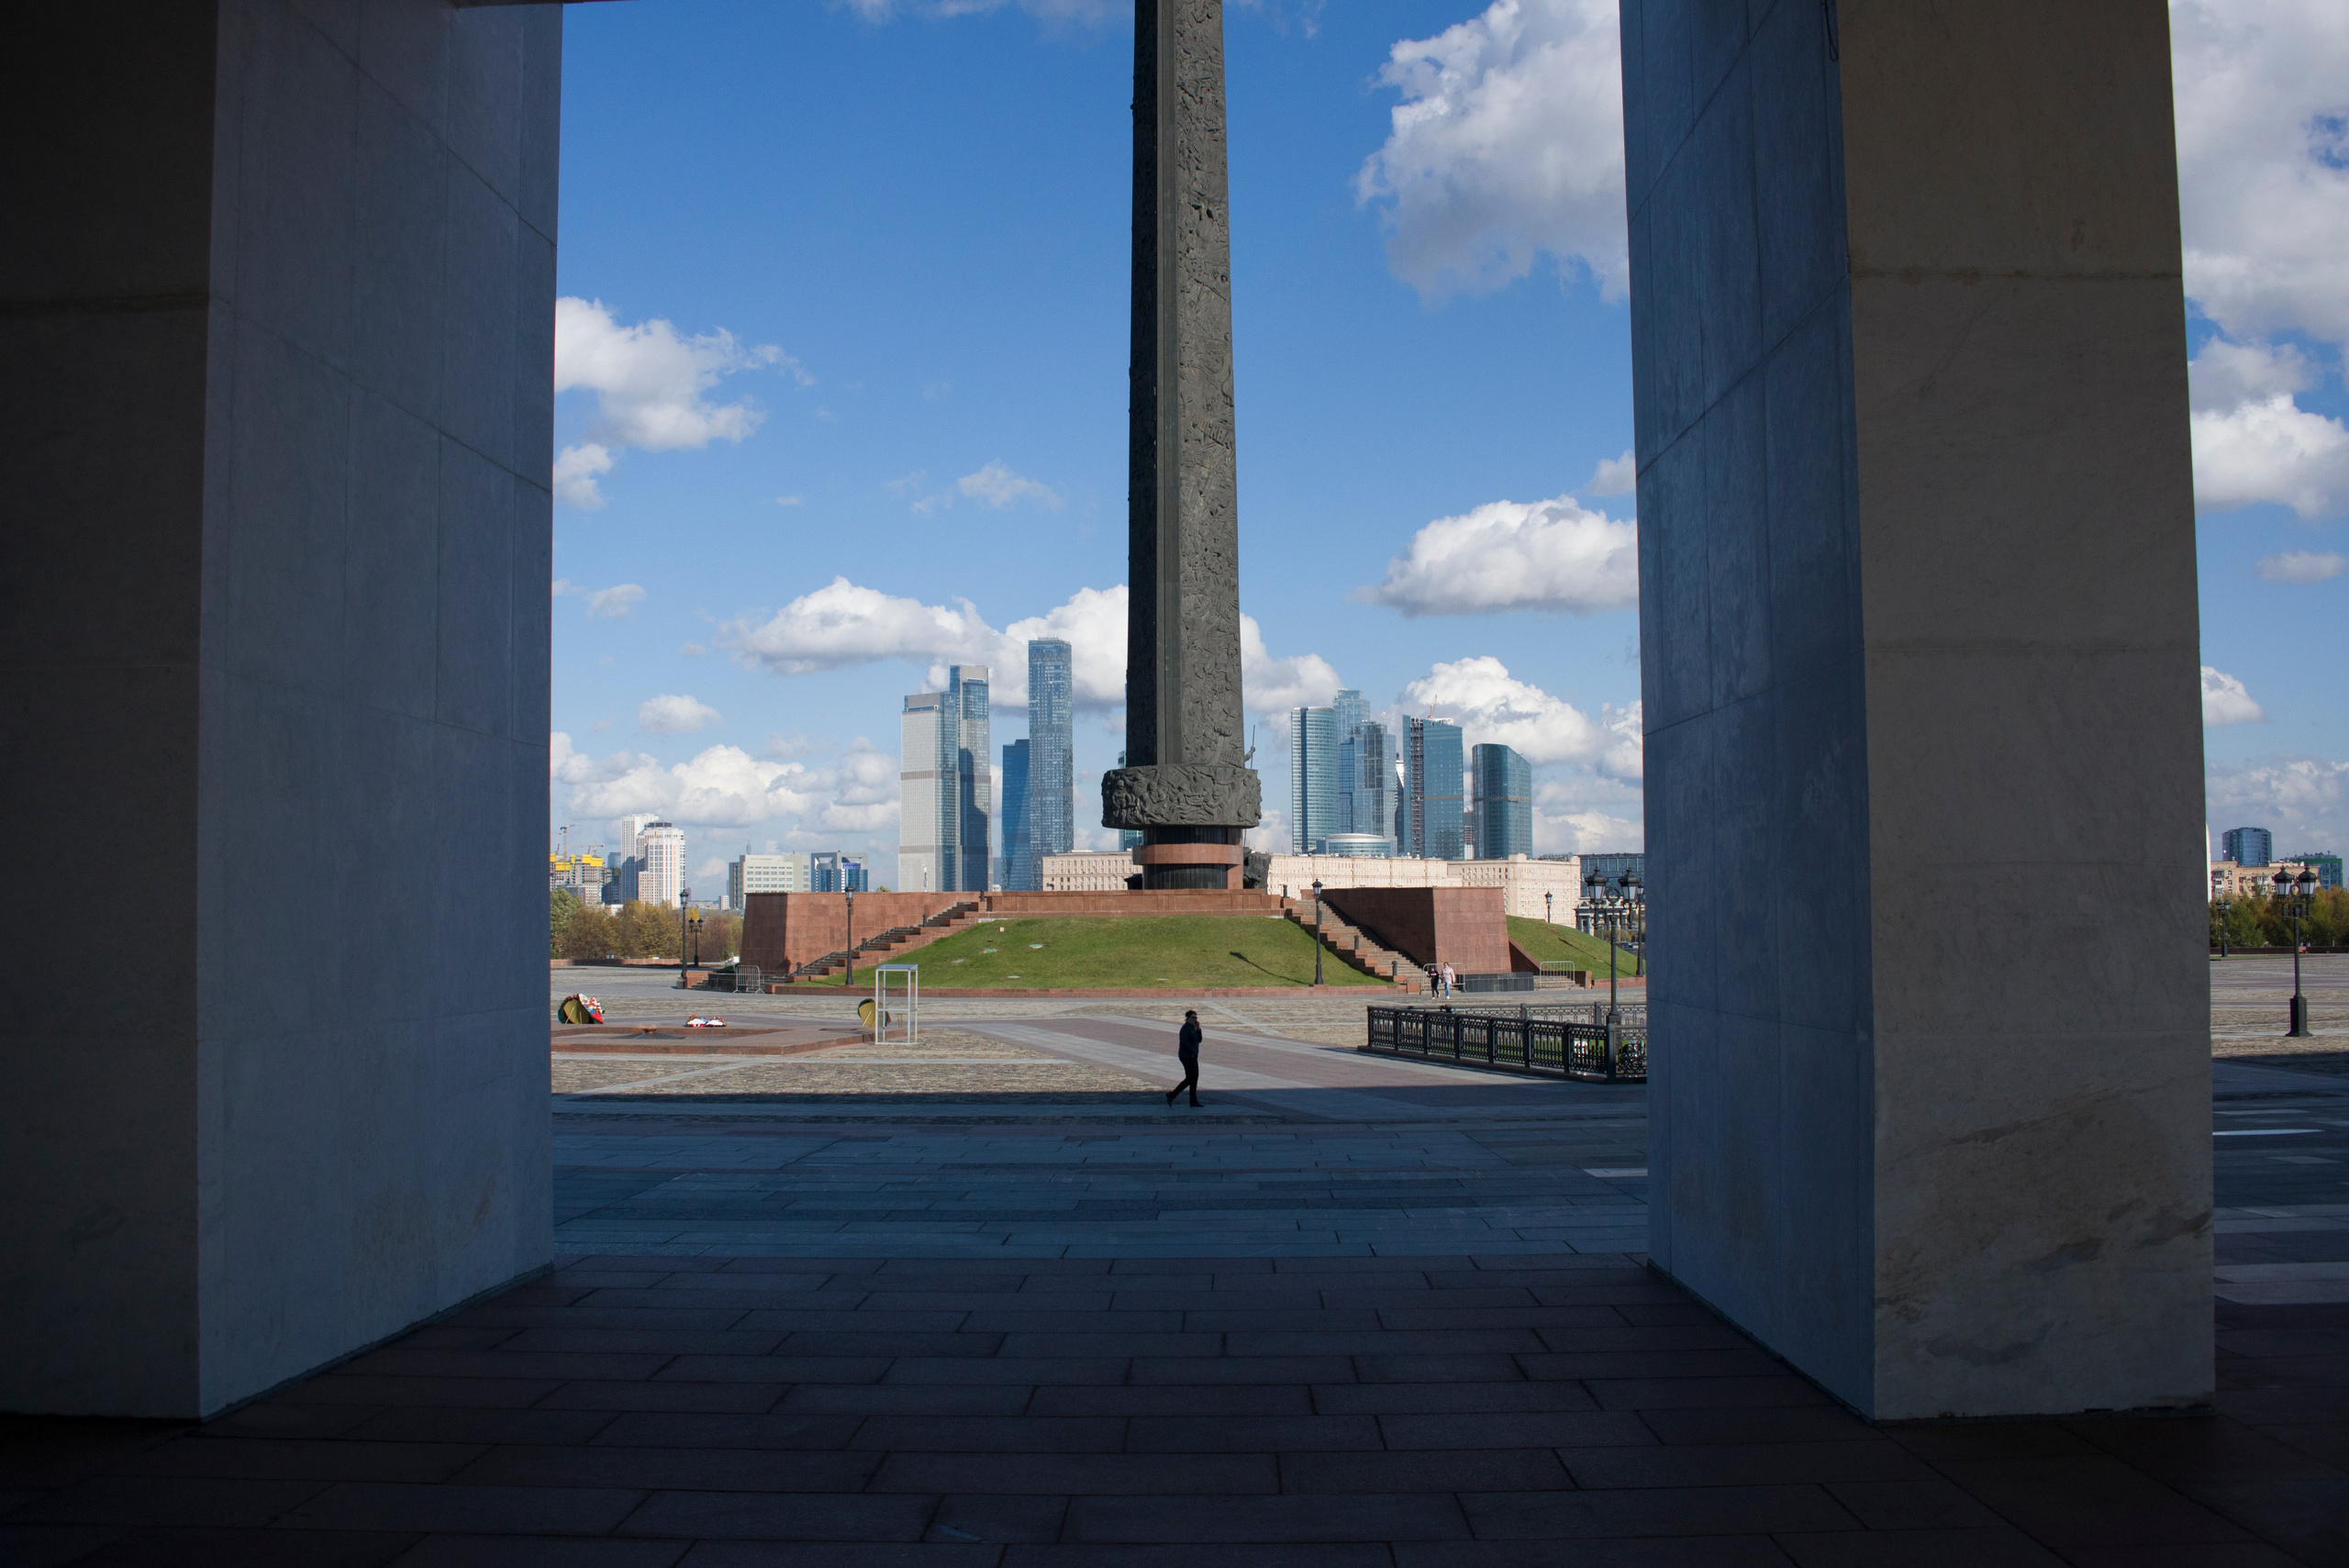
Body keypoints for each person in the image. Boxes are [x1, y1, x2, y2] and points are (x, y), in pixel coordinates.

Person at [1166, 1009, 1203, 1107]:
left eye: (1196, 1018)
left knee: (1194, 1078)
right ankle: (1172, 1095)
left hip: (1193, 1056)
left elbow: (1199, 1040)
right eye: (1193, 1017)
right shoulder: (1185, 1028)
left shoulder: (1193, 1028)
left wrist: (1198, 1030)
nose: (1194, 1019)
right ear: (1187, 1018)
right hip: (1186, 1056)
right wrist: (1193, 1052)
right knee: (1190, 1078)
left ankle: (1193, 1101)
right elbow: (1185, 1042)